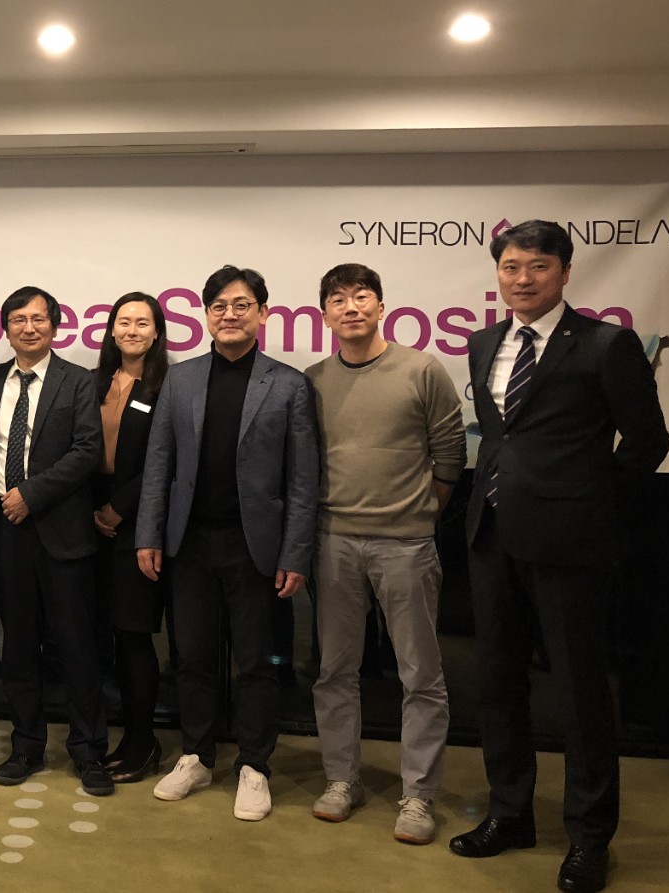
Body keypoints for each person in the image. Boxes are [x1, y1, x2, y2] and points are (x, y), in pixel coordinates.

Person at [450, 220, 669, 893]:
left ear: (565, 272)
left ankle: (589, 837)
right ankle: (510, 813)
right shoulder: (483, 341)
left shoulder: (605, 343)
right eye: (511, 266)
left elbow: (648, 441)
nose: (523, 279)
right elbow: (501, 436)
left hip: (571, 545)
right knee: (497, 685)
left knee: (579, 695)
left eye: (538, 266)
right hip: (492, 536)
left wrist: (590, 499)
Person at [136, 264, 318, 821]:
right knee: (191, 656)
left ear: (263, 313)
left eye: (241, 305)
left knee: (255, 662)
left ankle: (254, 765)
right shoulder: (181, 380)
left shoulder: (288, 384)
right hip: (189, 543)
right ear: (206, 315)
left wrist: (295, 552)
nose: (230, 315)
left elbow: (303, 479)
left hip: (254, 546)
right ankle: (195, 755)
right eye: (219, 306)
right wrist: (149, 534)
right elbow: (159, 463)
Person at [305, 263, 465, 844]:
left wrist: (418, 514)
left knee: (420, 675)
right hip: (333, 542)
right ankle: (341, 781)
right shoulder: (313, 380)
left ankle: (418, 796)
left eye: (361, 296)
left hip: (407, 545)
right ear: (324, 313)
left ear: (380, 306)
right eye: (338, 299)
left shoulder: (422, 369)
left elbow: (449, 455)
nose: (351, 307)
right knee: (334, 670)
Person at [0, 286, 112, 796]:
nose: (29, 327)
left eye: (39, 319)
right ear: (6, 328)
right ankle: (25, 746)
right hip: (5, 532)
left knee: (78, 647)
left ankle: (89, 751)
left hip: (63, 533)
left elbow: (87, 450)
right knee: (17, 647)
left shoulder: (78, 381)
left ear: (55, 326)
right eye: (19, 319)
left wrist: (31, 495)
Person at [93, 293, 169, 783]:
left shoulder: (168, 386)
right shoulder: (94, 382)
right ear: (112, 330)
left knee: (134, 635)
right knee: (106, 635)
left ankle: (143, 741)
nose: (133, 330)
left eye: (143, 323)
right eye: (124, 322)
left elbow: (164, 459)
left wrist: (119, 508)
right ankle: (117, 735)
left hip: (139, 520)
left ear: (157, 331)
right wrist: (96, 509)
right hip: (89, 520)